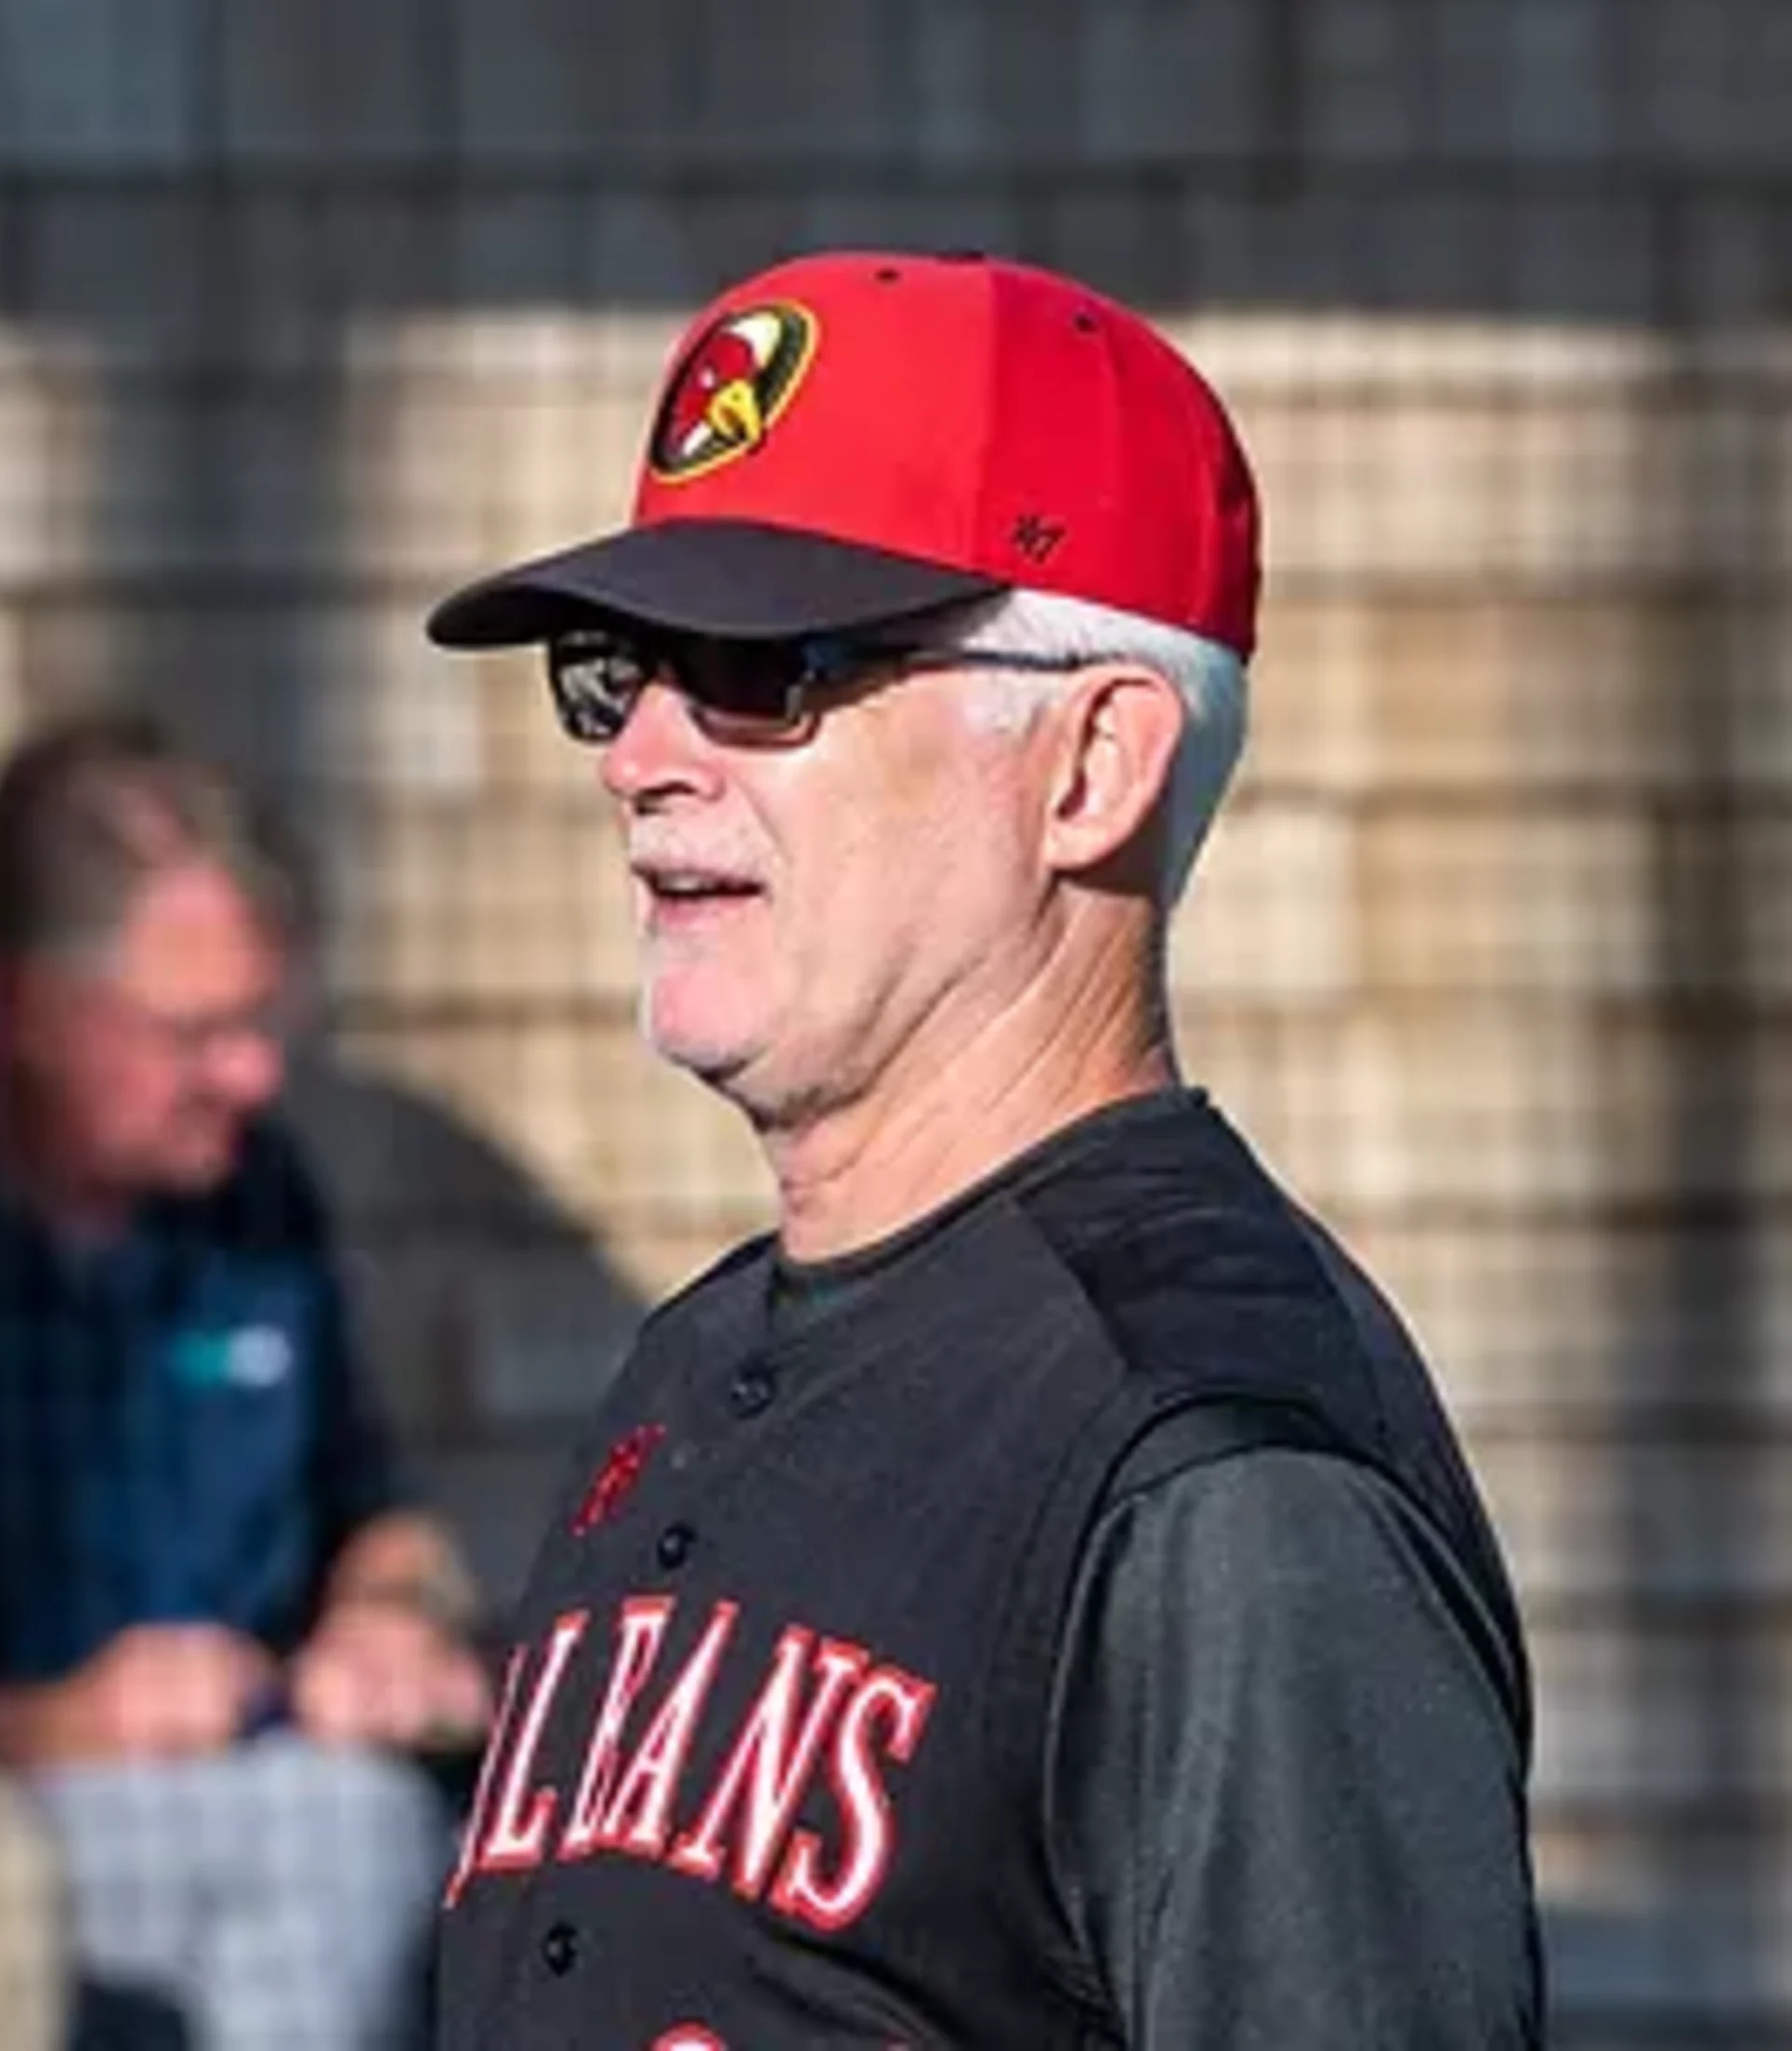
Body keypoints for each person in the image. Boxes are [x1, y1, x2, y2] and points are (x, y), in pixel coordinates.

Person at [420, 250, 1543, 2047]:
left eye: (761, 668)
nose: (638, 751)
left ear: (1092, 766)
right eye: (617, 668)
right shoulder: (696, 1354)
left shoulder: (1219, 1471)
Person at [0, 708, 492, 2048]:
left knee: (369, 1836)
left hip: (249, 1818)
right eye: (194, 1032)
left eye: (265, 1025)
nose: (252, 1077)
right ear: (17, 1009)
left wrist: (385, 1616)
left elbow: (372, 1512)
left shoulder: (254, 1207)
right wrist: (32, 1726)